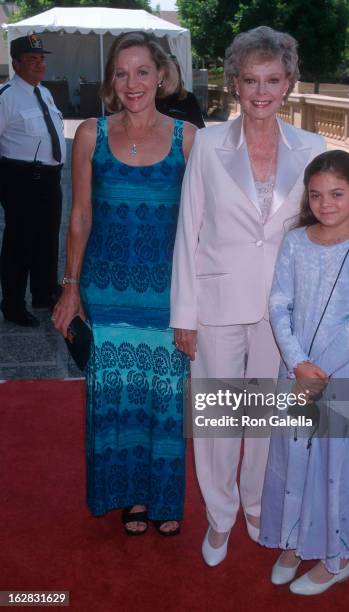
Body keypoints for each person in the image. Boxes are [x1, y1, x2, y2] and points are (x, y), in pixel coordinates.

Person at [170, 26, 325, 565]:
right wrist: (183, 314)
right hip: (214, 305)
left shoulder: (312, 149)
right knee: (217, 420)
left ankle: (257, 505)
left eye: (273, 80)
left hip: (281, 310)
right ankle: (219, 518)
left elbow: (326, 223)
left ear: (289, 84)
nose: (261, 92)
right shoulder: (209, 143)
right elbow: (188, 231)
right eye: (251, 80)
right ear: (235, 82)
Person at [52, 32, 196, 536]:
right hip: (107, 290)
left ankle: (163, 496)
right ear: (111, 81)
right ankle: (132, 497)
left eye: (142, 72)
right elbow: (80, 217)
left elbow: (206, 222)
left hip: (164, 290)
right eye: (121, 73)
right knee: (114, 394)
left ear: (162, 75)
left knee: (164, 394)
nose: (132, 83)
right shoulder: (90, 134)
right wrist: (71, 287)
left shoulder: (188, 138)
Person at [259, 150, 349, 595]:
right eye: (316, 195)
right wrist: (298, 363)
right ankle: (295, 541)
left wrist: (320, 370)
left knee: (337, 461)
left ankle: (338, 558)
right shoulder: (295, 241)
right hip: (296, 369)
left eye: (337, 193)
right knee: (295, 454)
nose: (326, 203)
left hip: (342, 372)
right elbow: (279, 304)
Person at [0, 34, 66, 327]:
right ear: (16, 63)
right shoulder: (7, 98)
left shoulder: (45, 93)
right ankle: (13, 303)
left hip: (50, 179)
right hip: (21, 179)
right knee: (20, 244)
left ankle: (44, 293)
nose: (39, 64)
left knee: (48, 239)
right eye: (31, 59)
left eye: (41, 58)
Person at [156, 54, 205, 129]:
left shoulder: (189, 99)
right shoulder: (153, 98)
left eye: (172, 73)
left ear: (178, 74)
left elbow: (200, 130)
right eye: (166, 73)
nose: (169, 77)